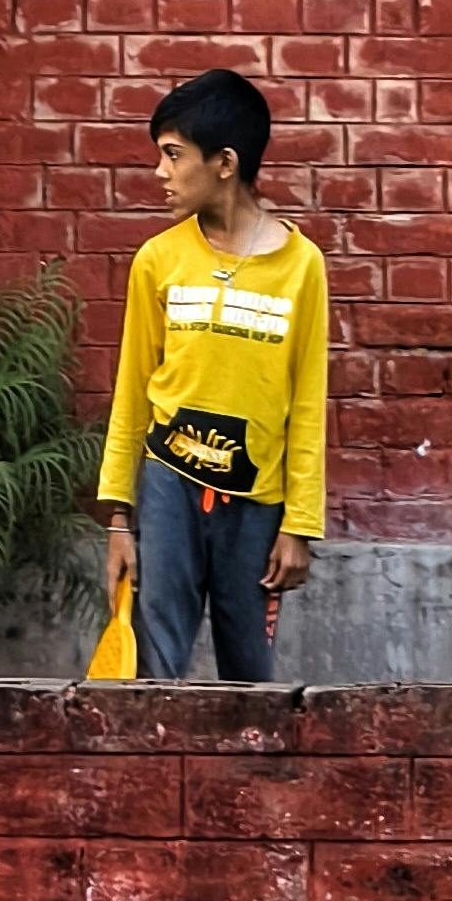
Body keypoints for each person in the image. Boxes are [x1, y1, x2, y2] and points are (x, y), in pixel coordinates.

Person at [96, 68, 327, 681]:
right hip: (167, 488)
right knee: (155, 669)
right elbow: (131, 392)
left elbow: (306, 401)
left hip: (256, 505)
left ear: (225, 162)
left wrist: (300, 525)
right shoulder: (158, 260)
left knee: (251, 677)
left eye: (174, 156)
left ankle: (248, 781)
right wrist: (120, 520)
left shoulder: (302, 268)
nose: (161, 173)